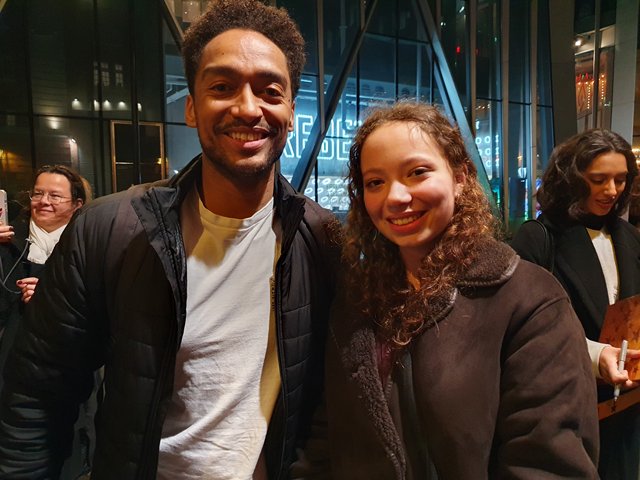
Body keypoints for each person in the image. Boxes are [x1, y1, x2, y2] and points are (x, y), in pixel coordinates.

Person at [0, 1, 337, 478]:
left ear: (290, 111)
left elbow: (332, 403)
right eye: (222, 87)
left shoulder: (322, 241)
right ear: (192, 108)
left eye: (269, 91)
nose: (248, 108)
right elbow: (36, 397)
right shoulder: (108, 230)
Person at [323, 102, 599, 478]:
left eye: (417, 173)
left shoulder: (530, 300)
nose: (395, 197)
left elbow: (549, 464)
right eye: (375, 182)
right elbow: (326, 437)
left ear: (460, 177)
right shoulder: (358, 298)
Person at [511, 128, 640, 479]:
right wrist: (596, 357)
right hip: (564, 410)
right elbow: (523, 332)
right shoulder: (538, 238)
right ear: (570, 177)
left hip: (624, 411)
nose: (612, 191)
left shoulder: (629, 236)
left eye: (620, 180)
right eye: (598, 180)